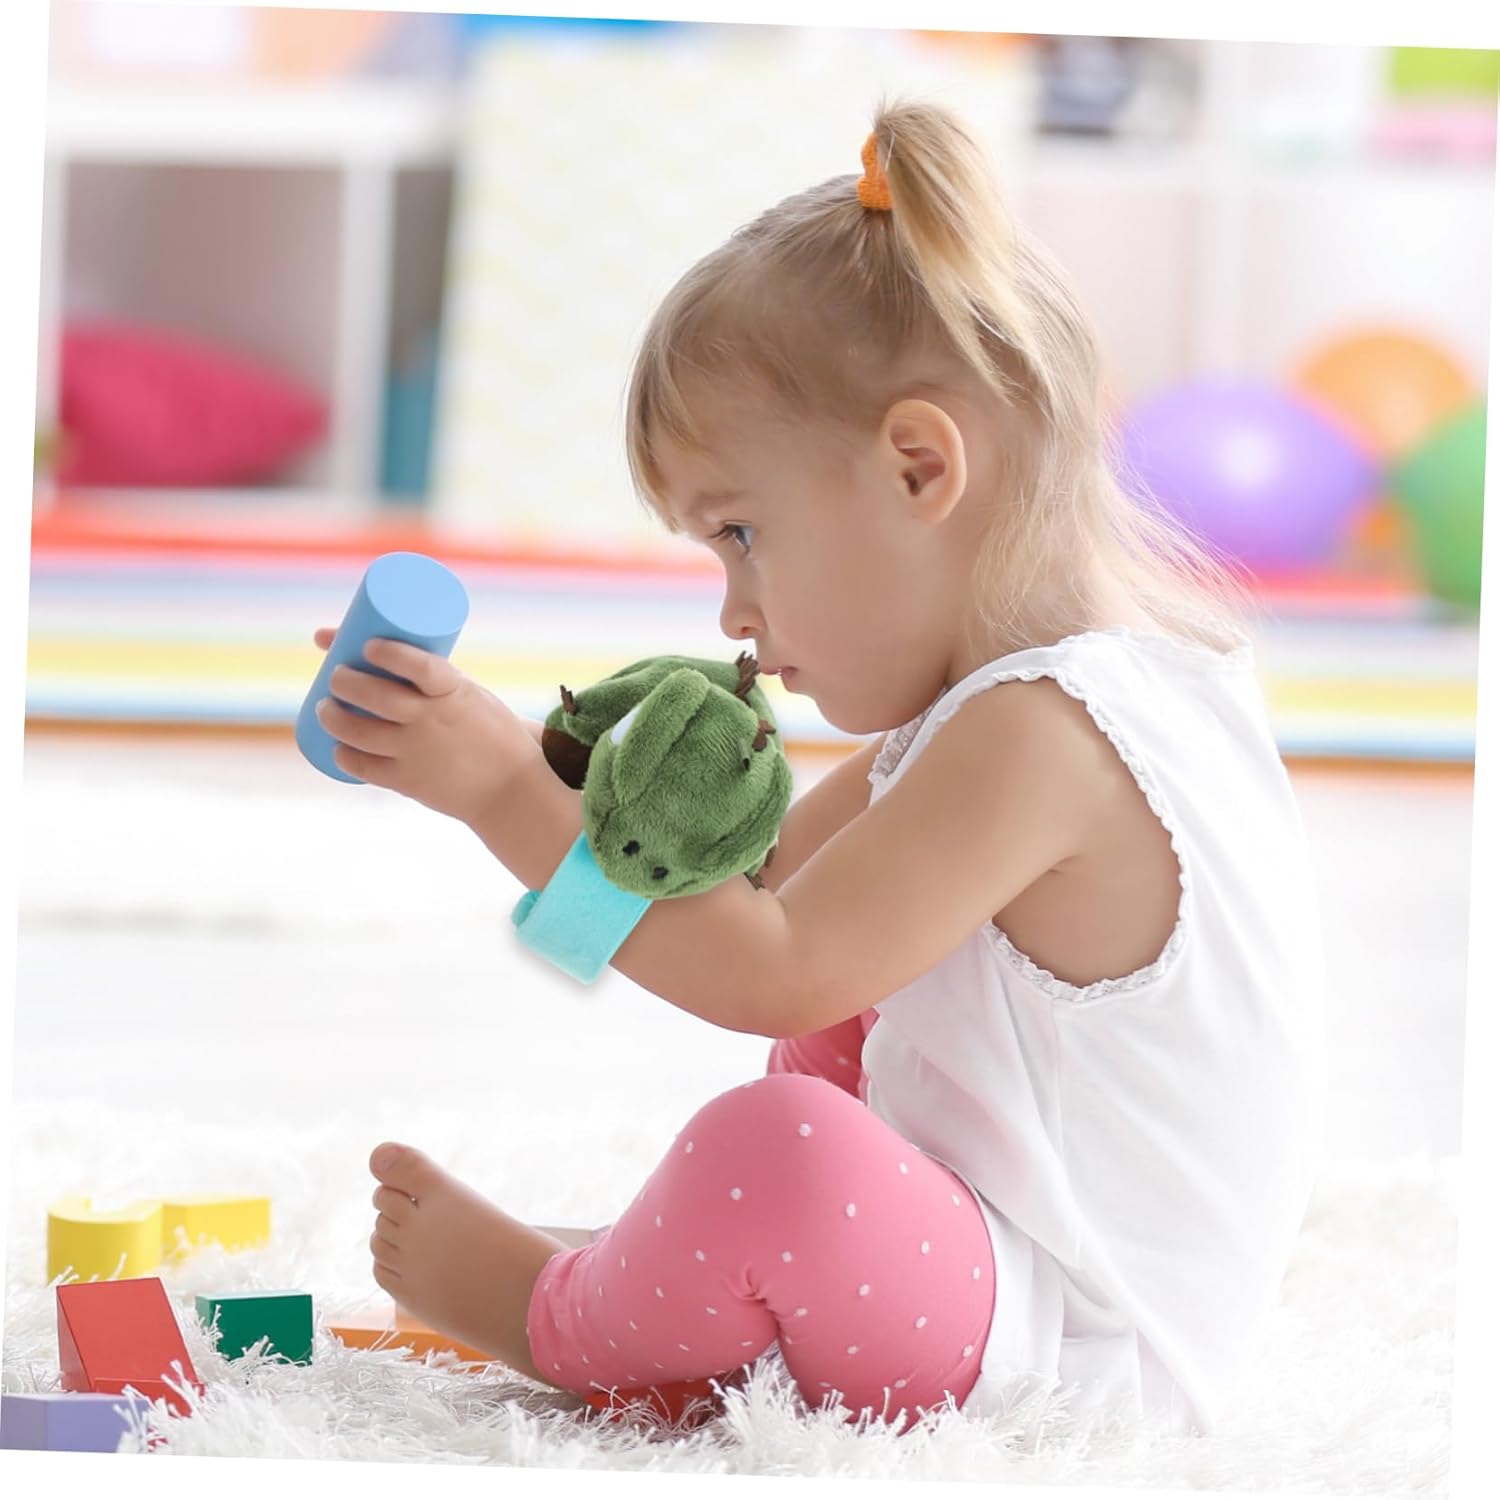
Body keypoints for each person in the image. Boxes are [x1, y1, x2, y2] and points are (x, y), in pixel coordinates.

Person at [313, 97, 1327, 1438]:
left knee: (775, 1151)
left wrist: (502, 792)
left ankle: (560, 1315)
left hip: (1076, 1355)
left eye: (740, 534)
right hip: (1004, 1273)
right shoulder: (1082, 690)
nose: (732, 611)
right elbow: (764, 878)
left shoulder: (1045, 734)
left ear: (918, 468)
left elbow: (771, 964)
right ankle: (681, 1285)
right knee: (839, 1042)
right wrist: (520, 764)